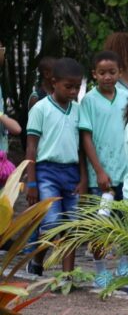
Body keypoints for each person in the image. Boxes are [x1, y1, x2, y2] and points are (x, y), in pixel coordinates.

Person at [24, 57, 86, 275]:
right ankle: (37, 261)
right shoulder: (40, 109)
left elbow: (81, 148)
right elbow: (31, 148)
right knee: (51, 225)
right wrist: (31, 182)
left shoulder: (78, 110)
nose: (73, 92)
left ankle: (67, 276)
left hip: (70, 172)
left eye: (77, 87)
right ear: (53, 82)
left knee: (71, 226)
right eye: (68, 87)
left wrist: (82, 178)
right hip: (46, 172)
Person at [80, 51, 128, 287]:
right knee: (100, 226)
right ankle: (100, 270)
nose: (107, 77)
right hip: (100, 177)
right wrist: (99, 171)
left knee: (126, 223)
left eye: (112, 72)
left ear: (119, 73)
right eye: (102, 73)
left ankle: (124, 265)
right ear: (94, 74)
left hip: (127, 172)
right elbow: (86, 137)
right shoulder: (89, 101)